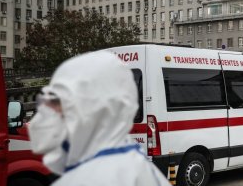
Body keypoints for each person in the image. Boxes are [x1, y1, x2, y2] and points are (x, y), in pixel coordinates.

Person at [28, 52, 170, 186]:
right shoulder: (132, 164)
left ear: (91, 110)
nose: (45, 115)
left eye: (56, 103)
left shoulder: (89, 179)